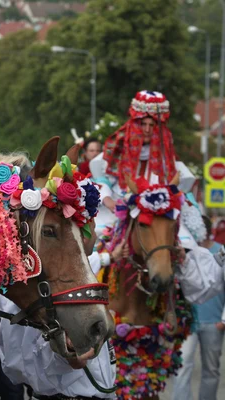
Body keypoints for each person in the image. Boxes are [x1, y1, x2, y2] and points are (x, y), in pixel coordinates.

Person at [0, 228, 126, 400]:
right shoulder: (38, 297)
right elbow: (15, 367)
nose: (92, 232)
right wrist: (64, 355)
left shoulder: (77, 278)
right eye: (85, 228)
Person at [89, 91, 195, 235]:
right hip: (117, 211)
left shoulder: (167, 160)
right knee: (96, 240)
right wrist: (108, 201)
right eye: (143, 124)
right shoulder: (117, 151)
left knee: (185, 243)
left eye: (151, 125)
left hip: (157, 215)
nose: (146, 130)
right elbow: (103, 180)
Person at [172, 215, 225, 400]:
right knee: (183, 364)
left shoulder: (220, 252)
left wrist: (224, 319)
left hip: (214, 321)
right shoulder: (184, 254)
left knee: (211, 369)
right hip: (189, 322)